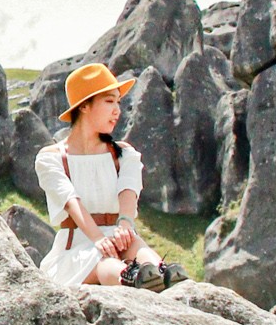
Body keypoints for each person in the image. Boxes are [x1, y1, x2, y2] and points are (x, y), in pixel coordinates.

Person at [35, 62, 187, 290]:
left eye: (118, 101)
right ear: (84, 106)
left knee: (138, 248)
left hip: (120, 237)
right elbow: (70, 201)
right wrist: (98, 238)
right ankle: (133, 278)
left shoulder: (124, 154)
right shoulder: (51, 158)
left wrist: (125, 223)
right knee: (105, 263)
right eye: (109, 101)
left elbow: (129, 189)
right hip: (76, 248)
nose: (117, 110)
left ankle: (163, 274)